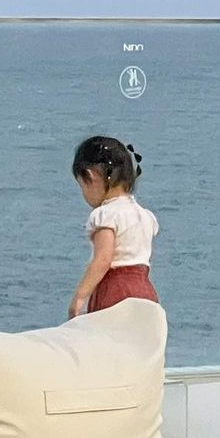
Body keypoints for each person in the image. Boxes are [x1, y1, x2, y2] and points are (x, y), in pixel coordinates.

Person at [68, 135, 159, 319]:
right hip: (145, 292)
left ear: (91, 177)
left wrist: (79, 297)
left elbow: (103, 259)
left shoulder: (106, 214)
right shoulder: (144, 215)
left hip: (115, 291)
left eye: (82, 186)